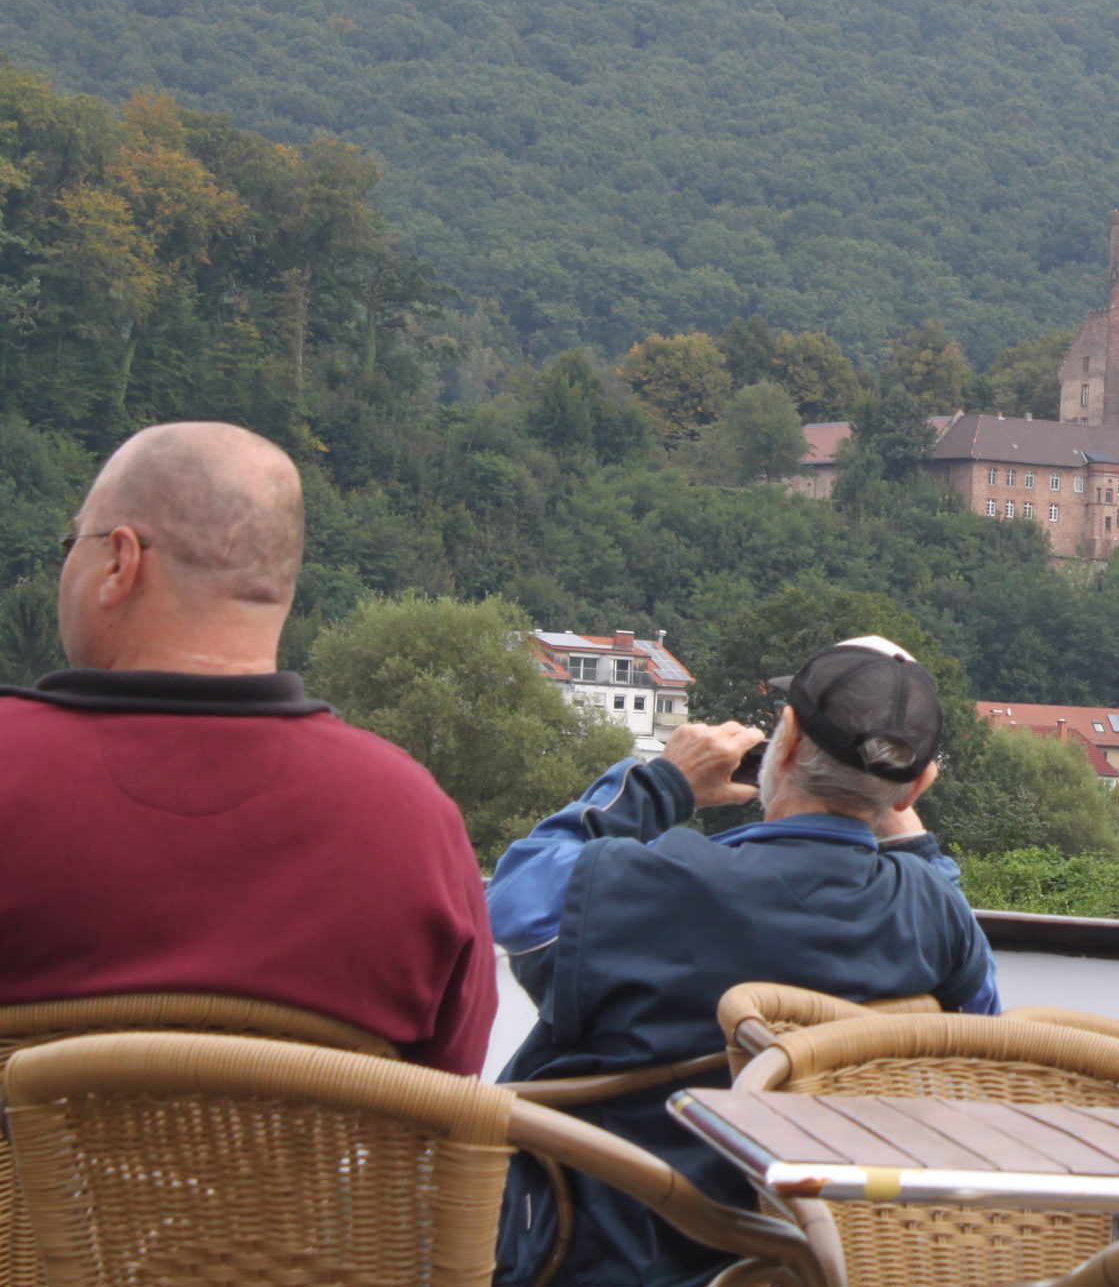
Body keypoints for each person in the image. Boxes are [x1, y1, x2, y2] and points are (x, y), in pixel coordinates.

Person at [487, 636, 998, 1287]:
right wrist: (901, 824)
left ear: (785, 741)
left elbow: (514, 901)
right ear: (916, 788)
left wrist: (662, 782)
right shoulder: (930, 912)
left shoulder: (660, 882)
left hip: (597, 1261)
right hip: (812, 1266)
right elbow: (981, 1030)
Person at [0, 422, 495, 1073]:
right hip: (315, 1149)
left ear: (121, 561)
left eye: (75, 543)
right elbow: (448, 1101)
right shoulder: (414, 821)